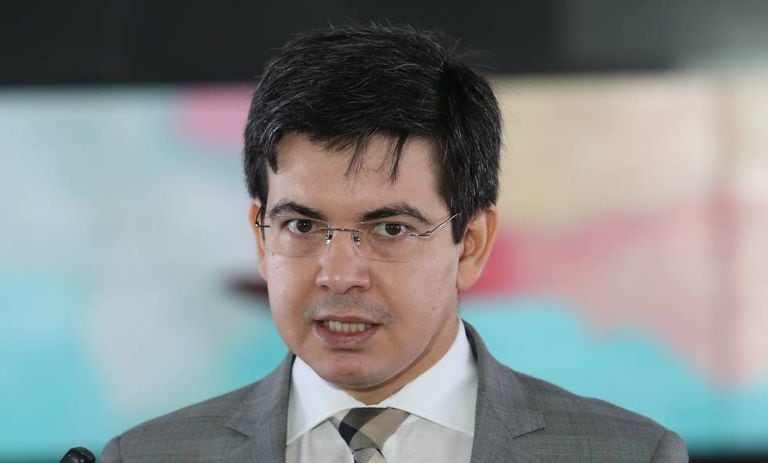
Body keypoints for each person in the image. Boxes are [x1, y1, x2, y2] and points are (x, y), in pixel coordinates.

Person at [101, 24, 688, 462]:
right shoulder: (145, 457)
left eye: (389, 229)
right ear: (260, 236)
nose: (338, 274)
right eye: (302, 226)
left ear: (470, 244)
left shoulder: (629, 455)